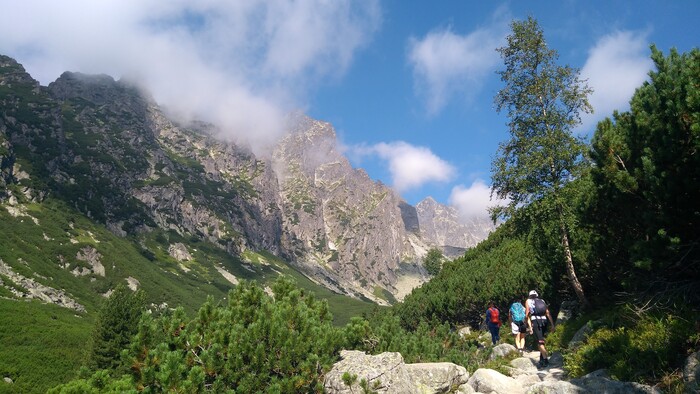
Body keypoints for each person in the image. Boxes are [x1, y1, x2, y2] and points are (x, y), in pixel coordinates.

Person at [526, 290, 555, 368]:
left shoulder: (528, 301)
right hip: (544, 321)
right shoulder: (542, 300)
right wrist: (552, 324)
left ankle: (545, 360)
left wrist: (529, 326)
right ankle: (542, 359)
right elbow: (547, 313)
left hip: (536, 322)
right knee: (541, 340)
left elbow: (527, 314)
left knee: (540, 342)